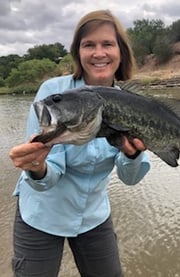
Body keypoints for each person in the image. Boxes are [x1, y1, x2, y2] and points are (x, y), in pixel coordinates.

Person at [9, 10, 150, 277]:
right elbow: (50, 173)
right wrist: (36, 166)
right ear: (78, 52)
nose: (99, 53)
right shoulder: (54, 95)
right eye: (89, 45)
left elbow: (130, 178)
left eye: (107, 44)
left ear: (121, 51)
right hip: (42, 213)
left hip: (92, 215)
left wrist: (132, 157)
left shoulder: (132, 103)